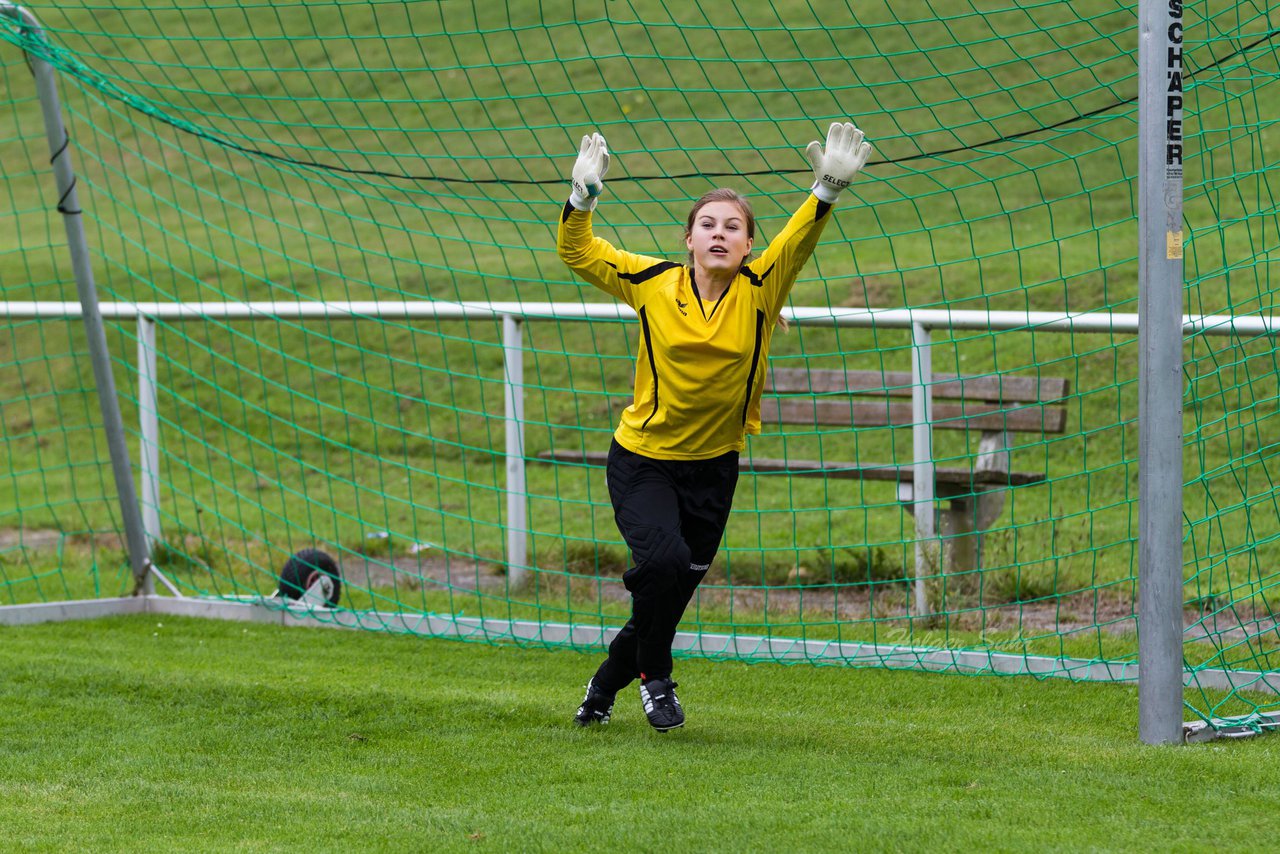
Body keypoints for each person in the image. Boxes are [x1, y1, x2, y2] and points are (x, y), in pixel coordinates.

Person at [557, 122, 872, 731]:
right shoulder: (652, 283)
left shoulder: (760, 290)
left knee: (666, 595)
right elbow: (577, 251)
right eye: (709, 225)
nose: (721, 234)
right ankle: (658, 682)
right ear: (689, 239)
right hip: (643, 460)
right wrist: (582, 200)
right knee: (664, 566)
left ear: (750, 245)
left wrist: (827, 189)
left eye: (734, 227)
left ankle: (601, 688)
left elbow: (798, 242)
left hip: (714, 469)